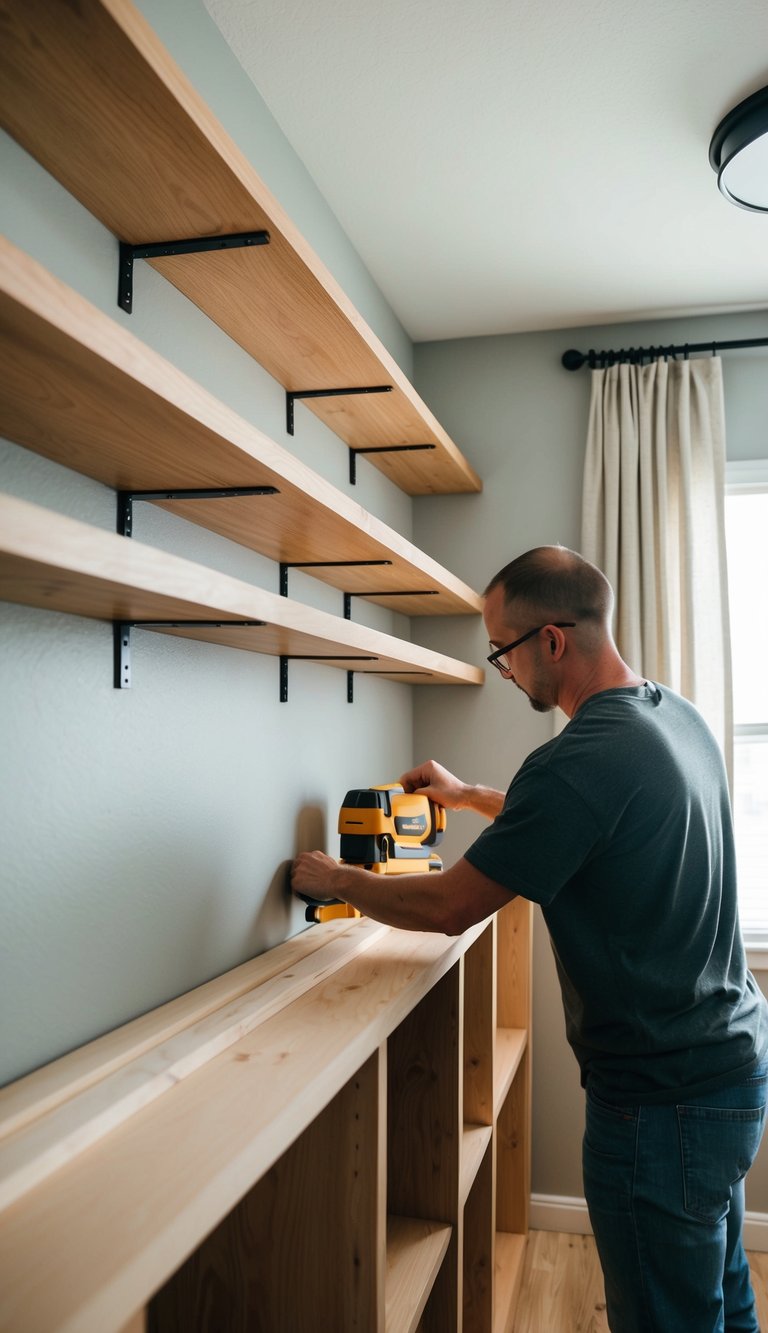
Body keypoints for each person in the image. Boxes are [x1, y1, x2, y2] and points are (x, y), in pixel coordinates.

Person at [291, 544, 768, 1332]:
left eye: (502, 650)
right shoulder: (670, 713)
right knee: (723, 1301)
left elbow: (451, 905)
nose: (503, 670)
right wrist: (468, 793)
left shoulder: (578, 759)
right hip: (728, 1069)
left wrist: (339, 880)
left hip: (658, 1103)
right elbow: (583, 820)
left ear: (550, 639)